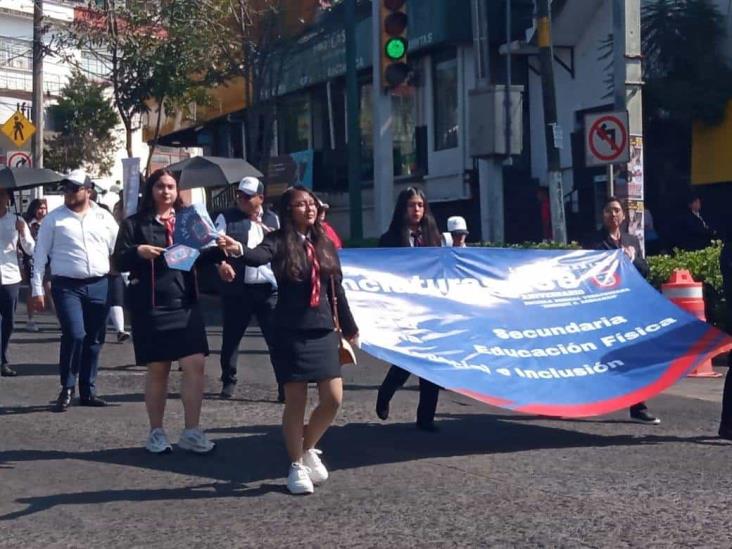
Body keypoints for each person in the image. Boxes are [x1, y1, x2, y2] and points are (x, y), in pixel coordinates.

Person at [217, 185, 358, 495]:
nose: (308, 208)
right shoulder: (278, 241)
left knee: (333, 398)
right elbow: (255, 257)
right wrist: (237, 249)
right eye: (300, 204)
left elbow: (338, 289)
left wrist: (349, 328)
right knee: (296, 400)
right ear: (287, 210)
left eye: (311, 203)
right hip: (290, 330)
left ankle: (307, 448)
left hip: (322, 329)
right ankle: (295, 464)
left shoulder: (325, 243)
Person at [114, 169, 229, 454]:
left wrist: (223, 254)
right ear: (150, 191)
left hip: (185, 304)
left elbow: (203, 254)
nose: (166, 192)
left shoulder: (189, 221)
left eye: (171, 187)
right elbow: (117, 261)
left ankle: (192, 430)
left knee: (195, 365)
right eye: (160, 186)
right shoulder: (134, 224)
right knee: (158, 369)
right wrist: (137, 252)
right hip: (151, 306)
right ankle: (156, 431)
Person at [30, 169, 119, 412]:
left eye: (74, 188)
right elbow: (39, 256)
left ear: (88, 191)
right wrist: (37, 288)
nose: (68, 193)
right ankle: (67, 387)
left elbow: (119, 250)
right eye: (66, 188)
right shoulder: (54, 219)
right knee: (75, 333)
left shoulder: (104, 217)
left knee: (94, 338)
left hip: (100, 283)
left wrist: (130, 278)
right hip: (66, 285)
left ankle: (88, 390)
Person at [583, 196, 660, 425]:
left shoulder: (631, 240)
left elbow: (645, 271)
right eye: (608, 211)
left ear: (623, 216)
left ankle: (638, 406)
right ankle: (573, 400)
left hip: (626, 308)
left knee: (631, 357)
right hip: (601, 309)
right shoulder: (594, 242)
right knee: (592, 358)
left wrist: (632, 259)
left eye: (616, 210)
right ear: (602, 215)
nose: (613, 215)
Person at [375, 186, 443, 432]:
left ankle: (426, 418)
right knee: (407, 360)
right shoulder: (390, 239)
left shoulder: (435, 238)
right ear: (402, 208)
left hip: (431, 308)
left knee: (431, 362)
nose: (416, 210)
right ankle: (385, 392)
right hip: (404, 308)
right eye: (412, 205)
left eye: (420, 205)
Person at [214, 176, 282, 401]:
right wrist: (221, 264)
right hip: (238, 288)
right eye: (239, 195)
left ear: (261, 198)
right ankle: (228, 380)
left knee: (276, 339)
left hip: (268, 288)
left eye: (247, 196)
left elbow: (282, 249)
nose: (241, 199)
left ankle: (285, 384)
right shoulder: (227, 218)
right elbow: (213, 245)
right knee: (232, 338)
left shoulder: (273, 219)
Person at [0, 189, 34, 377]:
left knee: (8, 321)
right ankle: (1, 360)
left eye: (2, 194)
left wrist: (23, 232)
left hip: (10, 276)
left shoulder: (16, 220)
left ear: (8, 198)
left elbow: (30, 249)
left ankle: (2, 356)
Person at [22, 198, 49, 332]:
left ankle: (60, 319)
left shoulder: (48, 223)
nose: (42, 211)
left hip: (48, 259)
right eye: (39, 208)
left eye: (44, 208)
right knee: (33, 287)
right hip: (31, 259)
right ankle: (31, 318)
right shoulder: (28, 224)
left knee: (49, 287)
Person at [108, 198, 130, 343]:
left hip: (123, 269)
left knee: (117, 300)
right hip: (108, 269)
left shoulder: (130, 227)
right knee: (112, 300)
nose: (118, 212)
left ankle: (120, 330)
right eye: (116, 209)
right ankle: (119, 330)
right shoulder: (109, 226)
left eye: (120, 209)